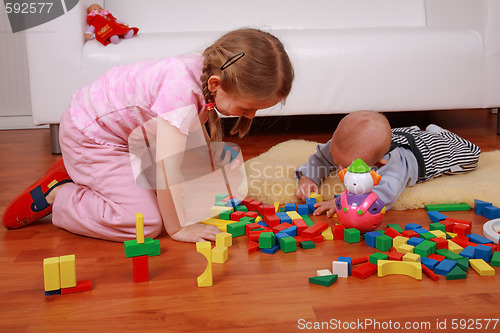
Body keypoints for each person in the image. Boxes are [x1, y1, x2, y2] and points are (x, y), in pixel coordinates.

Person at [3, 28, 294, 243]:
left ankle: (84, 172)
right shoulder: (180, 94)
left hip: (129, 135)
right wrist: (178, 228)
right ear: (217, 84)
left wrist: (210, 185)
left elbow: (187, 144)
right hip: (91, 139)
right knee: (145, 223)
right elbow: (166, 170)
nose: (250, 116)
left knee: (200, 187)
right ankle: (63, 194)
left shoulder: (205, 73)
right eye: (248, 108)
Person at [295, 111, 480, 216]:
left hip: (430, 153)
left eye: (346, 167)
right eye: (335, 158)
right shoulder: (341, 145)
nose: (337, 166)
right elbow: (320, 157)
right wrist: (308, 178)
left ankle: (442, 134)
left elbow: (383, 194)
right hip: (402, 134)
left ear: (378, 163)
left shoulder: (392, 167)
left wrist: (340, 202)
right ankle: (430, 131)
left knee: (470, 156)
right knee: (383, 136)